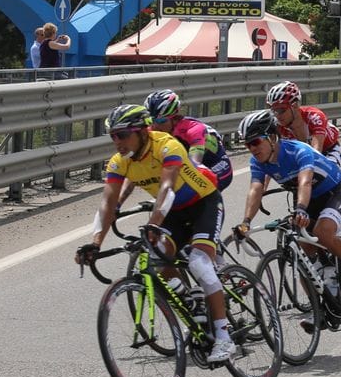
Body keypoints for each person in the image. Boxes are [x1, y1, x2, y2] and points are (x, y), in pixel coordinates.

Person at [75, 105, 236, 363]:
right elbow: (108, 203)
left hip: (203, 203)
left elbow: (167, 187)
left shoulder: (166, 145)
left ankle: (224, 337)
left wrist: (154, 223)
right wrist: (95, 242)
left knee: (199, 263)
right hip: (173, 212)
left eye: (123, 134)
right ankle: (190, 301)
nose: (117, 142)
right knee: (158, 258)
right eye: (113, 136)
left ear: (141, 131)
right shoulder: (120, 161)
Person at [235, 109, 341, 324]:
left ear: (272, 137)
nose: (251, 149)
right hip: (309, 202)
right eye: (246, 145)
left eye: (255, 142)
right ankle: (323, 305)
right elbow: (255, 189)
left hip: (334, 193)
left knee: (322, 232)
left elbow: (305, 182)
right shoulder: (258, 162)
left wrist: (300, 209)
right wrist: (246, 222)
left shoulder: (298, 150)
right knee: (303, 254)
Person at [144, 89, 234, 191]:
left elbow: (195, 164)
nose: (155, 126)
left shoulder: (193, 129)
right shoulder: (152, 129)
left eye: (161, 120)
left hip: (215, 165)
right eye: (152, 120)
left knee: (197, 191)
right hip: (189, 163)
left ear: (173, 118)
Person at [266, 81, 341, 167]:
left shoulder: (314, 116)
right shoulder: (277, 125)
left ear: (295, 106)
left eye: (281, 110)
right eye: (274, 110)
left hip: (328, 150)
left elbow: (316, 152)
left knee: (320, 172)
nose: (277, 115)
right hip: (301, 154)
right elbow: (273, 157)